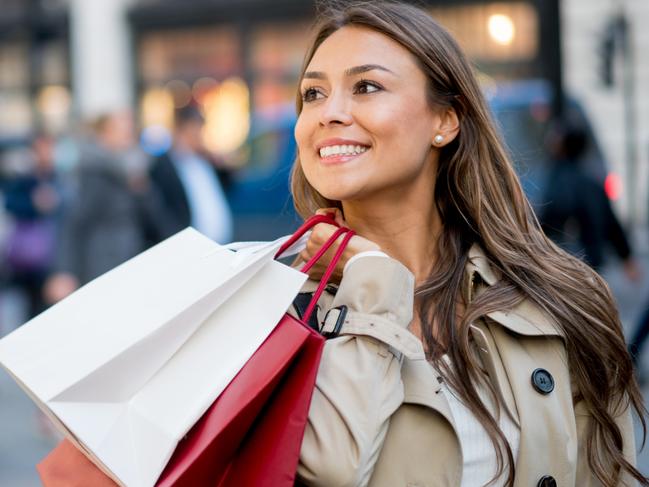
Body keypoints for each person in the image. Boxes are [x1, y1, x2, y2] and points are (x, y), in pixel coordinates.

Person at [286, 2, 646, 486]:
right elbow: (331, 469)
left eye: (366, 86)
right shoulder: (272, 313)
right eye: (313, 93)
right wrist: (372, 288)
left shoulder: (559, 298)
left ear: (446, 121)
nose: (329, 113)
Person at [44, 111, 151, 303]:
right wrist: (65, 271)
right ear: (104, 134)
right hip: (103, 265)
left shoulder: (131, 168)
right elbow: (75, 222)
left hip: (129, 259)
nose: (128, 135)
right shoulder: (95, 172)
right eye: (121, 130)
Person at [540, 121, 641, 277]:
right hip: (591, 265)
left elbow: (549, 222)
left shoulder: (559, 180)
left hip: (567, 266)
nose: (551, 139)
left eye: (556, 136)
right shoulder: (591, 179)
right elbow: (611, 221)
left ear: (563, 145)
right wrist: (626, 258)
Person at [148, 106, 233, 245]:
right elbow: (159, 213)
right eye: (194, 130)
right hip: (189, 247)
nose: (198, 136)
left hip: (218, 244)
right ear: (180, 130)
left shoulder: (204, 160)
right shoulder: (163, 166)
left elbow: (228, 186)